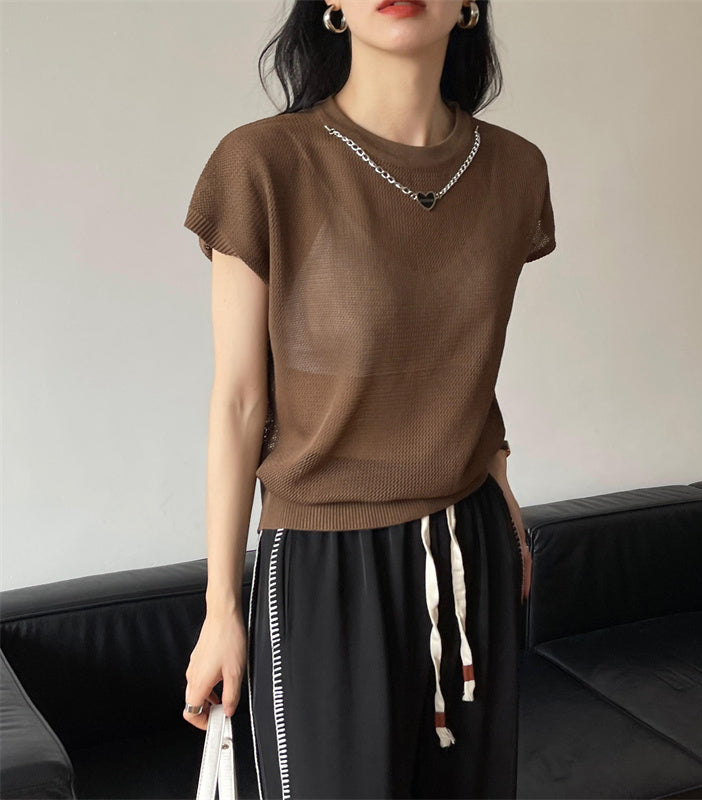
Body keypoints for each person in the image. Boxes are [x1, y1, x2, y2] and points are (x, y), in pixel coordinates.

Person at [181, 0, 556, 796]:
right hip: (325, 562)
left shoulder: (515, 170)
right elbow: (240, 401)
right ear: (331, 7)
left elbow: (457, 357)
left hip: (471, 547)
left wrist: (502, 482)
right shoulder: (265, 165)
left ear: (469, 6)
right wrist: (221, 608)